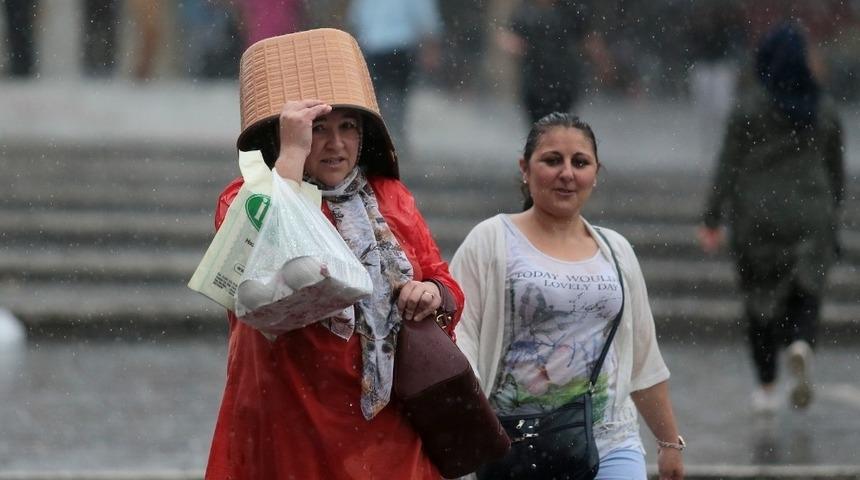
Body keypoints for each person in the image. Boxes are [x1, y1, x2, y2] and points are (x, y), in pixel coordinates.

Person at [204, 29, 464, 479]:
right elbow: (257, 263)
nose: (336, 143)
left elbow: (442, 278)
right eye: (317, 129)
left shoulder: (390, 198)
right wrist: (290, 156)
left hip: (386, 424)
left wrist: (432, 293)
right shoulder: (247, 198)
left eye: (348, 127)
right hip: (290, 416)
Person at [451, 112, 685, 479]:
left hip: (610, 440)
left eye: (580, 162)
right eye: (551, 160)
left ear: (596, 172)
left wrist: (669, 442)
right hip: (518, 442)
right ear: (525, 169)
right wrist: (466, 426)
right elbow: (459, 339)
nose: (567, 173)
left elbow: (643, 357)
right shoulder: (490, 240)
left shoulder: (616, 250)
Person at [698, 22, 844, 414]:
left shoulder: (749, 106)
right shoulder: (824, 108)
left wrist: (711, 217)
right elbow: (836, 172)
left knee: (759, 300)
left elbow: (727, 166)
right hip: (812, 211)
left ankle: (766, 386)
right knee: (806, 290)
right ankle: (801, 342)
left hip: (758, 214)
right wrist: (833, 217)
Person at [347, 0, 443, 151]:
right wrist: (430, 43)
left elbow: (357, 16)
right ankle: (394, 135)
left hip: (375, 45)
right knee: (398, 95)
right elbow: (424, 16)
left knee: (376, 95)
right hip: (400, 46)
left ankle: (379, 137)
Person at [495, 0, 611, 124]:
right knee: (538, 126)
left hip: (564, 80)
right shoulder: (524, 11)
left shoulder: (570, 10)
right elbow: (508, 35)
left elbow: (588, 39)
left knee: (559, 124)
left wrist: (603, 63)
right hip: (534, 80)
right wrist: (510, 43)